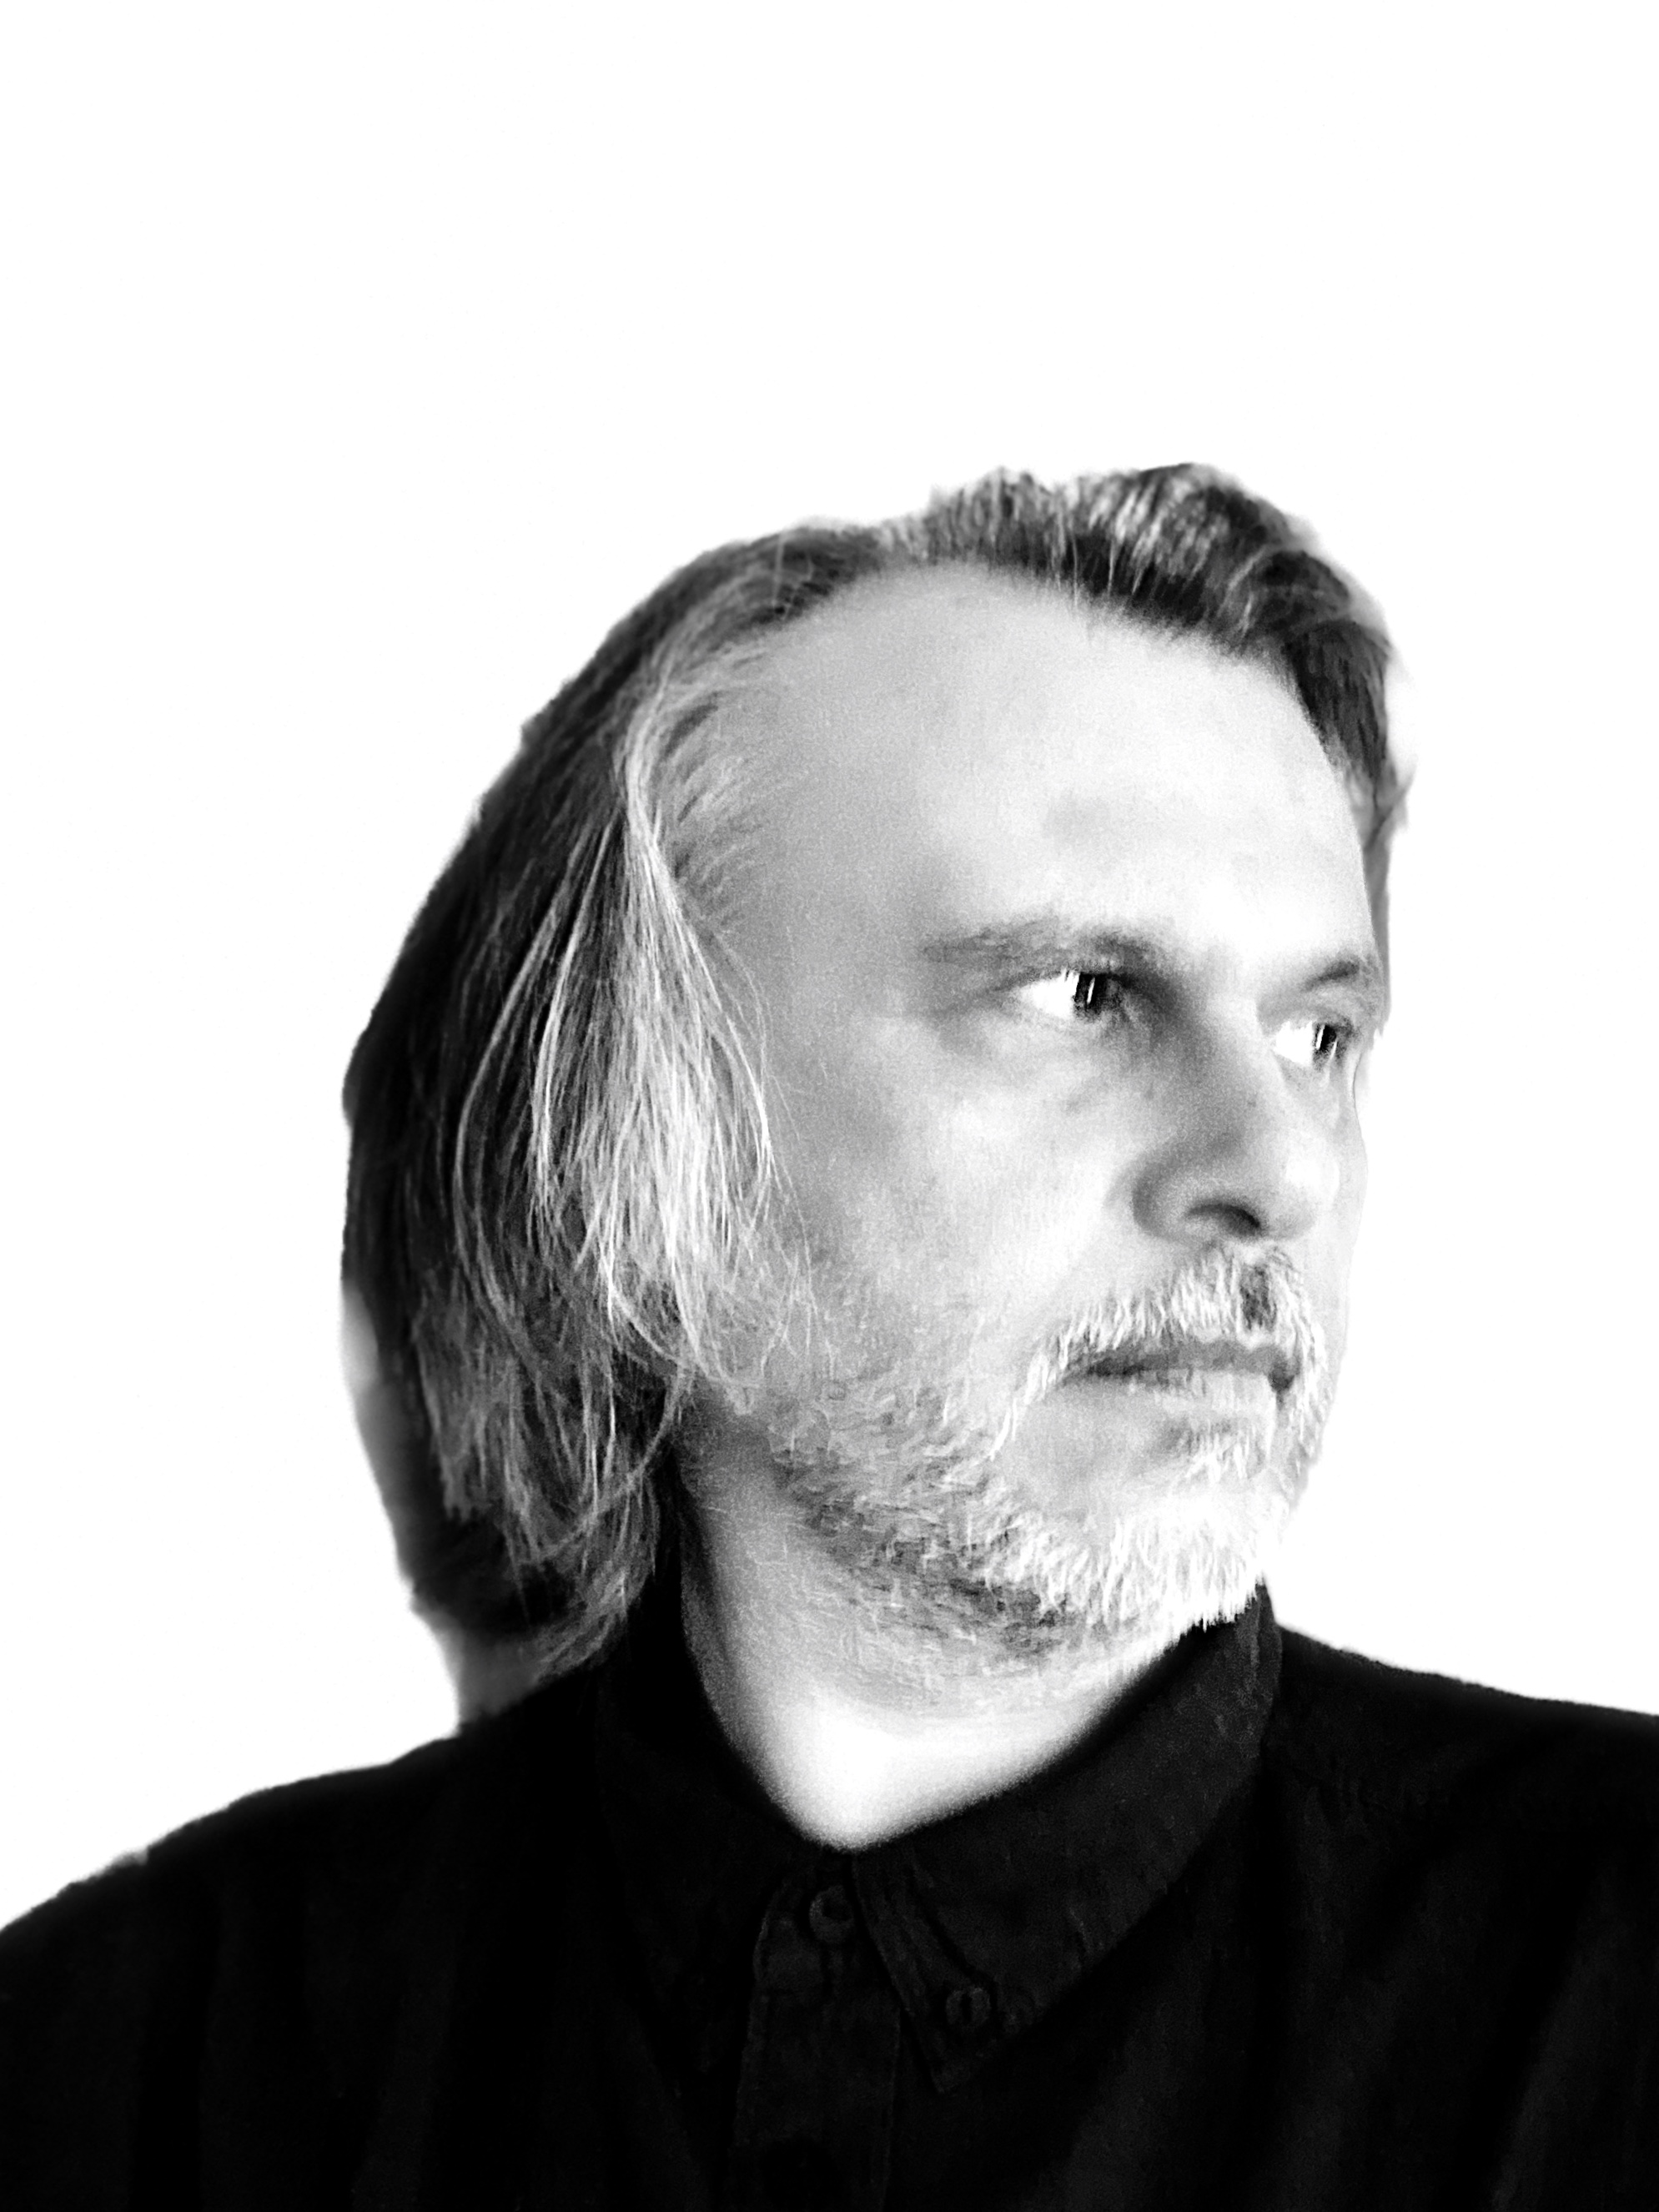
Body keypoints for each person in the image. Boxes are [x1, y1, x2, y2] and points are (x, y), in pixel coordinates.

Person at [3, 468, 1655, 2208]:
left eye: (1318, 1034)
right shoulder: (129, 2079)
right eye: (1082, 995)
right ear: (638, 1128)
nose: (1279, 1168)